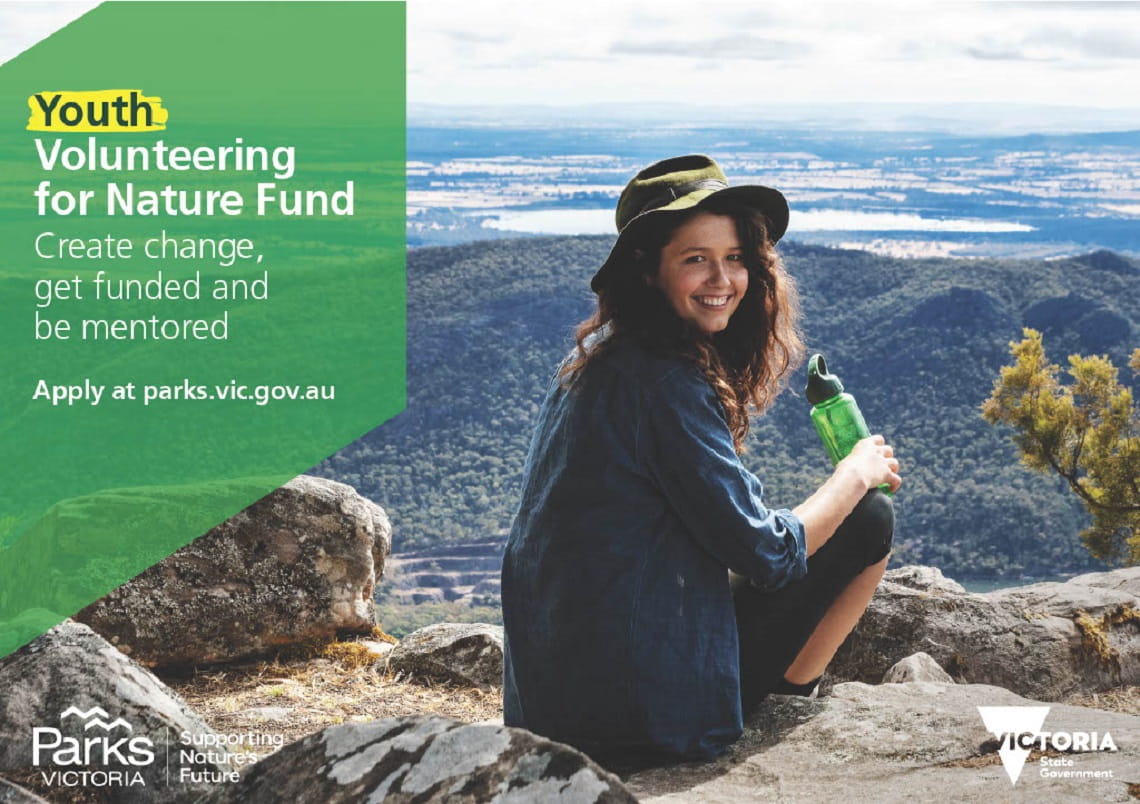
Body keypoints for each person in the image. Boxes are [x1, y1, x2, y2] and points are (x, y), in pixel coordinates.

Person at [500, 154, 901, 766]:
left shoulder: (599, 357)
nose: (723, 279)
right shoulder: (665, 382)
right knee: (868, 517)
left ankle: (786, 690)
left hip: (552, 706)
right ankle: (794, 696)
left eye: (735, 257)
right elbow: (767, 553)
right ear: (648, 269)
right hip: (639, 722)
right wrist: (852, 474)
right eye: (696, 259)